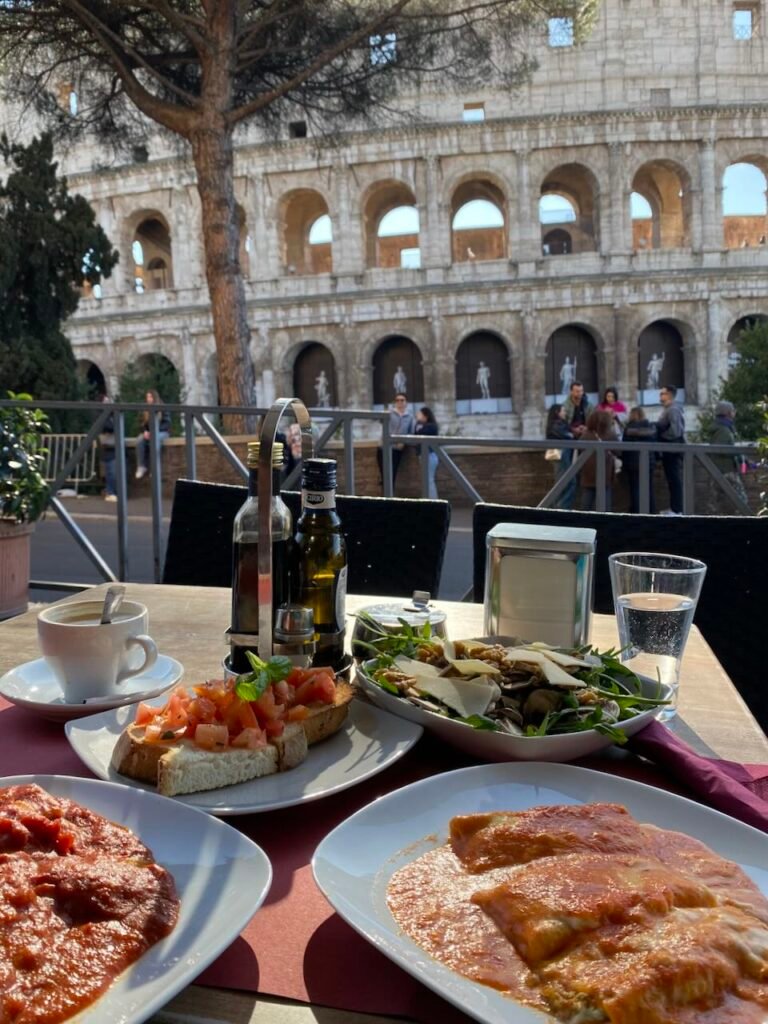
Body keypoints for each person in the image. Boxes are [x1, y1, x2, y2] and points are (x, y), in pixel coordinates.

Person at [704, 400, 749, 514]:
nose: (734, 413)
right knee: (741, 500)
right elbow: (723, 449)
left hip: (718, 469)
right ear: (728, 413)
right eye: (733, 410)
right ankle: (743, 520)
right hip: (726, 470)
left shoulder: (720, 428)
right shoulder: (723, 430)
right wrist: (741, 458)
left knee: (716, 502)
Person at [579, 410, 618, 511]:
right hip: (605, 474)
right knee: (605, 505)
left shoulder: (585, 436)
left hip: (588, 474)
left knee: (586, 503)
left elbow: (579, 451)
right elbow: (618, 452)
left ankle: (583, 520)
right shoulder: (611, 435)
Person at [656, 385, 685, 514]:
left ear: (669, 395)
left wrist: (662, 437)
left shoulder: (673, 410)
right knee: (671, 479)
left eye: (662, 393)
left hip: (672, 450)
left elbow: (676, 431)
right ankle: (674, 508)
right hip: (669, 449)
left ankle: (677, 510)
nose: (660, 396)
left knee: (674, 479)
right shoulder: (668, 409)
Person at [376, 393, 415, 489]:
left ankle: (390, 494)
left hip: (397, 449)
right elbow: (379, 421)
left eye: (402, 400)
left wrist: (404, 442)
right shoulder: (389, 413)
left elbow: (411, 433)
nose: (400, 402)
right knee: (384, 474)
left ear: (406, 402)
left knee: (392, 474)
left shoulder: (410, 417)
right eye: (397, 400)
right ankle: (385, 493)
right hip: (384, 447)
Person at [622, 406, 657, 514]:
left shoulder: (628, 428)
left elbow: (624, 447)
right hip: (648, 462)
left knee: (635, 489)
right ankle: (652, 512)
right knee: (649, 488)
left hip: (633, 463)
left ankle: (636, 513)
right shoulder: (650, 427)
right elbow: (654, 444)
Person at [545, 403, 576, 510]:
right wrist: (573, 433)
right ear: (557, 412)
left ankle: (558, 507)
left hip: (560, 455)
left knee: (562, 482)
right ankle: (561, 507)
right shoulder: (557, 425)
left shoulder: (559, 424)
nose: (565, 413)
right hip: (561, 455)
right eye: (563, 411)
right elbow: (568, 436)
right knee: (569, 482)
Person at [135, 389, 171, 480]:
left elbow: (167, 423)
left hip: (162, 432)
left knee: (155, 439)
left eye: (150, 397)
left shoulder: (162, 408)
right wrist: (145, 431)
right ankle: (141, 466)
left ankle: (154, 468)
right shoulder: (145, 409)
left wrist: (154, 431)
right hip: (149, 432)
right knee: (140, 440)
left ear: (155, 397)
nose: (148, 399)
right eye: (147, 397)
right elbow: (141, 423)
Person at [414, 406, 439, 498]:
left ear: (425, 416)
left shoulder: (431, 426)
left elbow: (419, 434)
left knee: (429, 480)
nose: (417, 415)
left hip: (429, 455)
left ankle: (434, 502)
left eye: (420, 414)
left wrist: (418, 423)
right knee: (427, 480)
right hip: (425, 455)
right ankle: (429, 500)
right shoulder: (421, 425)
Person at [98, 392, 117, 502]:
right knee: (111, 471)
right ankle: (110, 492)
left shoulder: (113, 416)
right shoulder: (103, 416)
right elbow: (108, 427)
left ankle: (111, 491)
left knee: (112, 471)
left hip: (114, 446)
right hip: (107, 447)